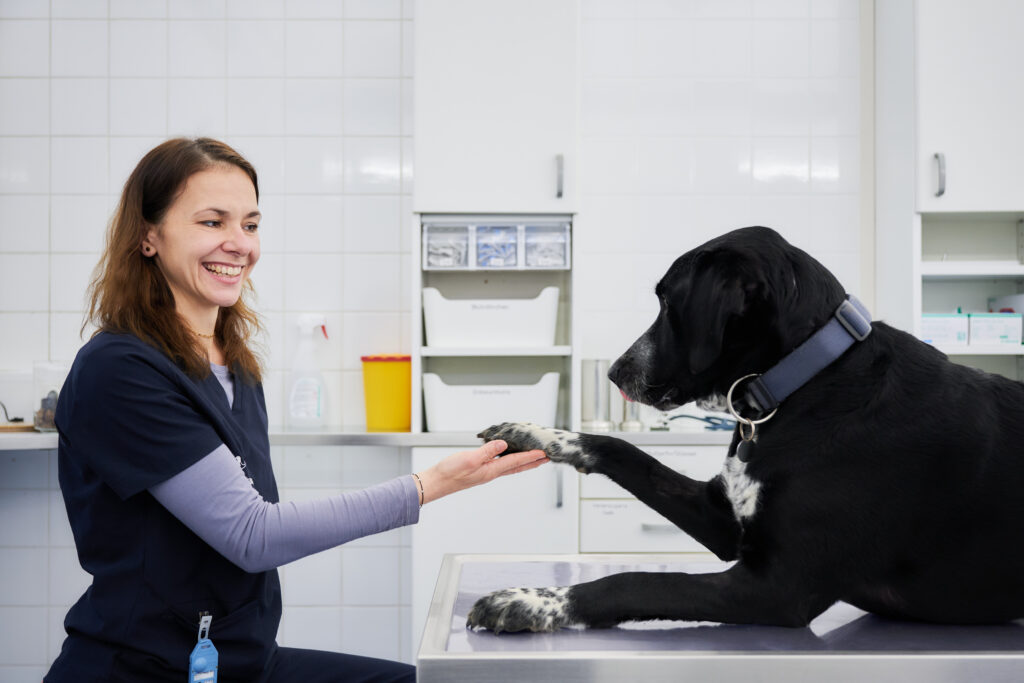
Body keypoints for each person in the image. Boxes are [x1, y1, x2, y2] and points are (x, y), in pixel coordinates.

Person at [44, 137, 549, 683]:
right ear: (148, 236)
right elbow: (253, 535)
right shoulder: (119, 369)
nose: (239, 244)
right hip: (144, 669)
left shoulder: (236, 367)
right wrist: (428, 485)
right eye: (213, 222)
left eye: (251, 224)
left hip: (241, 662)